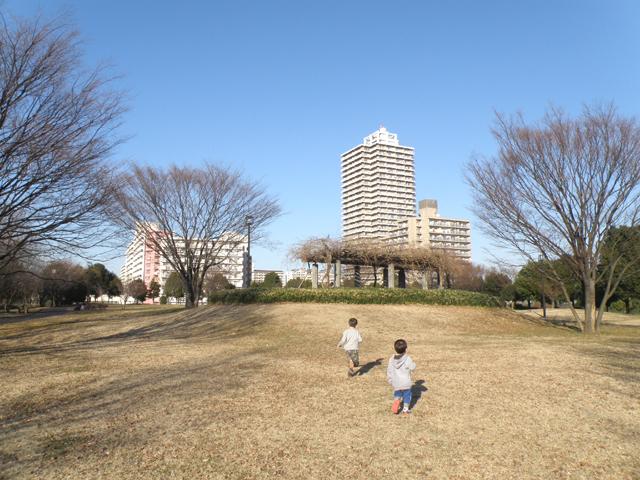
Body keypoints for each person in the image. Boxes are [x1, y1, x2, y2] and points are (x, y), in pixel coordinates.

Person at [387, 338, 416, 415]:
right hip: (405, 382)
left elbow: (389, 370)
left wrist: (390, 379)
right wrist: (414, 365)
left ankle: (396, 403)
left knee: (397, 394)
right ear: (406, 349)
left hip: (396, 382)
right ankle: (405, 410)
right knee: (407, 396)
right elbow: (412, 367)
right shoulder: (407, 358)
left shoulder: (391, 359)